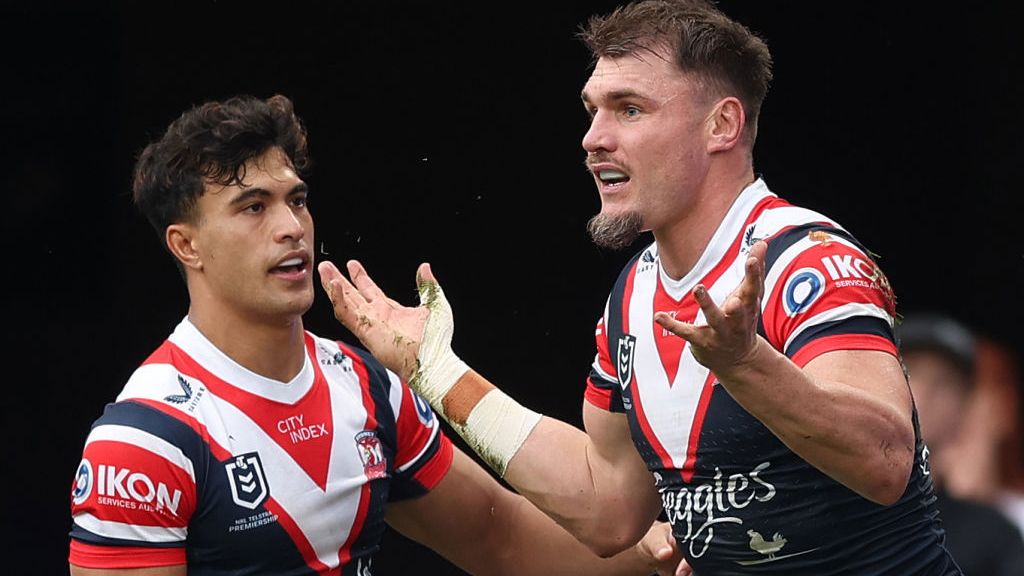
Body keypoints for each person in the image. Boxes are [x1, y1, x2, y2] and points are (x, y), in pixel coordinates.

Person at [317, 1, 963, 574]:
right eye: (592, 112)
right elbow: (608, 508)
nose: (593, 139)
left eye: (629, 109)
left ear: (722, 126)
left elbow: (885, 462)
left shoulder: (807, 259)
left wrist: (746, 365)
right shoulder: (632, 295)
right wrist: (435, 371)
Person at [66, 94, 681, 576]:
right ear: (186, 245)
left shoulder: (365, 387)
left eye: (297, 200)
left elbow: (499, 538)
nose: (291, 228)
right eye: (253, 207)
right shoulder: (143, 443)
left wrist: (681, 549)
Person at [897, 313, 1024, 575]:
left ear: (964, 409)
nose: (927, 392)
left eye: (946, 382)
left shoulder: (994, 535)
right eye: (912, 372)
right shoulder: (830, 508)